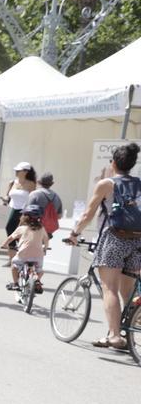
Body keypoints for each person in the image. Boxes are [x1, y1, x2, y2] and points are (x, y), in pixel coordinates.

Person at [66, 142, 141, 350]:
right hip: (137, 240)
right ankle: (128, 332)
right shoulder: (139, 183)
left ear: (114, 163)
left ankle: (115, 336)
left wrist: (74, 234)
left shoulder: (107, 184)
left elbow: (87, 215)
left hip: (114, 239)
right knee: (128, 292)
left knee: (109, 288)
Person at [3, 204, 49, 292]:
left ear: (25, 217)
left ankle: (16, 284)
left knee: (14, 266)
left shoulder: (21, 228)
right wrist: (45, 248)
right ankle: (37, 280)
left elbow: (10, 238)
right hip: (38, 255)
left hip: (23, 254)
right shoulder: (42, 228)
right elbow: (46, 240)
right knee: (40, 271)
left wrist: (4, 245)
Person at [1, 162, 37, 248]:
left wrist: (27, 214)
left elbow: (32, 199)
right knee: (9, 229)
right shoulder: (12, 182)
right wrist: (5, 199)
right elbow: (8, 196)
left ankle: (17, 254)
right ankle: (11, 257)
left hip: (22, 211)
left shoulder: (31, 184)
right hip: (11, 209)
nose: (16, 172)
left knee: (20, 233)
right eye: (16, 170)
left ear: (26, 172)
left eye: (18, 170)